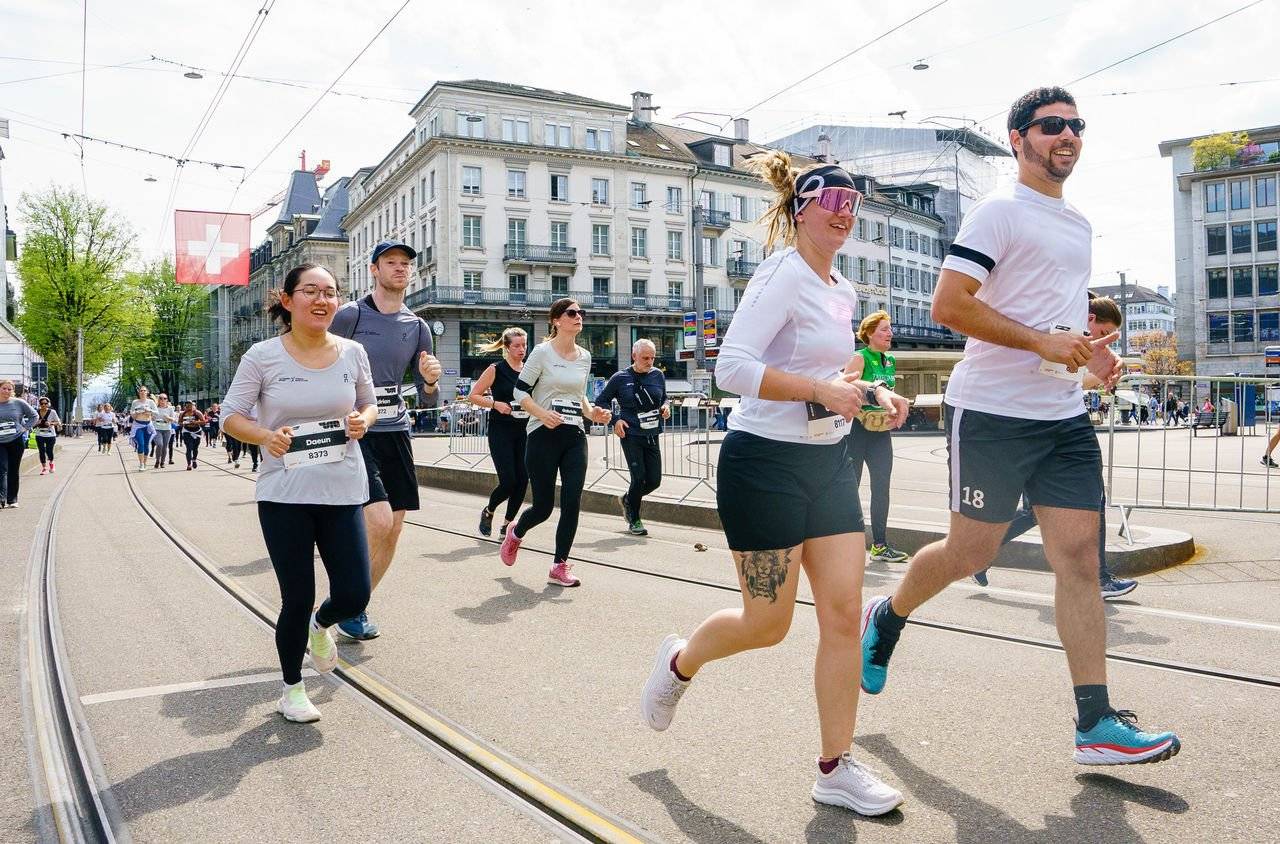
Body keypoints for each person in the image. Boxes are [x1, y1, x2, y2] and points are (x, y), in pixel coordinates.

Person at [859, 87, 1180, 766]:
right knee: (970, 554)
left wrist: (1090, 355)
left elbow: (1053, 318)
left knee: (1079, 562)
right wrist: (1039, 343)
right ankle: (887, 615)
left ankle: (1094, 723)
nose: (1067, 135)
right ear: (1017, 138)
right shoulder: (998, 211)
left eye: (1076, 126)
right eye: (1051, 125)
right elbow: (950, 304)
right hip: (992, 415)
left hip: (1060, 417)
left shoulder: (1079, 224)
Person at [639, 153, 912, 816]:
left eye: (853, 204)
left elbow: (830, 377)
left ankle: (834, 767)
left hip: (827, 464)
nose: (845, 212)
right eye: (831, 202)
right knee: (769, 623)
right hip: (762, 462)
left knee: (845, 614)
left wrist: (871, 393)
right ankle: (679, 662)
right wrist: (819, 389)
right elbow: (730, 367)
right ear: (800, 210)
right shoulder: (782, 273)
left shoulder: (840, 288)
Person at [221, 262, 377, 723]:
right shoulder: (263, 356)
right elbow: (232, 415)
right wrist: (264, 437)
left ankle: (322, 625)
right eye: (310, 291)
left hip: (344, 485)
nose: (322, 299)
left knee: (354, 594)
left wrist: (362, 422)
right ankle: (292, 688)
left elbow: (369, 403)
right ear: (287, 301)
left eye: (330, 292)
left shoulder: (352, 353)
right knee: (297, 594)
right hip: (284, 492)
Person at [970, 297, 1139, 600]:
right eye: (1103, 332)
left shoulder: (1073, 336)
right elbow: (1060, 376)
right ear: (1089, 319)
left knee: (1047, 509)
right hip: (1038, 427)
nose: (1103, 341)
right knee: (1083, 501)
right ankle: (1096, 578)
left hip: (1048, 428)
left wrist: (1102, 369)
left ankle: (978, 554)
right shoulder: (1062, 331)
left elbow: (1070, 380)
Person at [329, 240, 441, 641]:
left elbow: (429, 396)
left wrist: (430, 380)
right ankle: (345, 597)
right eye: (391, 262)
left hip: (396, 430)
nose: (400, 269)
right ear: (374, 270)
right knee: (376, 520)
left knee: (394, 527)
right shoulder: (350, 316)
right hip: (357, 433)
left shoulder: (417, 326)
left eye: (405, 264)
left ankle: (354, 605)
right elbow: (320, 361)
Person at [499, 298, 613, 586]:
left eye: (581, 313)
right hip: (542, 434)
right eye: (572, 313)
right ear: (556, 321)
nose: (579, 317)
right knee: (543, 507)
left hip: (574, 435)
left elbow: (580, 396)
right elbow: (519, 391)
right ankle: (516, 532)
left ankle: (559, 565)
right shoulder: (541, 353)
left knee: (572, 501)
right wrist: (541, 414)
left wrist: (593, 413)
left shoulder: (585, 356)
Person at [846, 311, 908, 563]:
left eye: (890, 329)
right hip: (857, 430)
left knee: (881, 488)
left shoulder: (890, 359)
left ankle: (880, 545)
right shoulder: (859, 357)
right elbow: (847, 387)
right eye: (883, 329)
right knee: (851, 487)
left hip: (881, 433)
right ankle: (848, 543)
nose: (889, 333)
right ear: (869, 333)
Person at [595, 338, 671, 536]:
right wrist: (616, 420)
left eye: (653, 357)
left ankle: (628, 499)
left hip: (652, 433)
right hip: (631, 434)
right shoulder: (620, 378)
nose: (650, 361)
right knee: (638, 478)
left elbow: (664, 398)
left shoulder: (657, 375)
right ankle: (635, 519)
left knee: (654, 481)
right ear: (634, 356)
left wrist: (666, 407)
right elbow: (601, 400)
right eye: (645, 357)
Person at [466, 327, 530, 538]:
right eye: (517, 346)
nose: (522, 349)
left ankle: (507, 526)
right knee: (509, 480)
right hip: (501, 431)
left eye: (524, 345)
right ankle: (489, 510)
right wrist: (495, 404)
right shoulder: (496, 369)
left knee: (523, 481)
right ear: (507, 347)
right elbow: (473, 395)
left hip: (525, 431)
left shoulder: (530, 370)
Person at [0, 381, 38, 508]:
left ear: (13, 391)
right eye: (4, 388)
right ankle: (1, 498)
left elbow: (34, 416)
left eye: (9, 389)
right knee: (2, 469)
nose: (6, 391)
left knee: (13, 470)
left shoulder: (19, 403)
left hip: (15, 440)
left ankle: (12, 499)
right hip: (0, 442)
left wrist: (25, 428)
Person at [128, 386, 158, 472]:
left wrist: (149, 410)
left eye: (144, 390)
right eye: (141, 391)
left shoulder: (151, 402)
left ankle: (145, 463)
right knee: (140, 444)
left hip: (148, 425)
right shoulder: (135, 402)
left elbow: (156, 413)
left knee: (146, 444)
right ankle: (141, 464)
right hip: (138, 425)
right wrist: (137, 412)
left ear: (147, 392)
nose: (142, 392)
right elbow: (132, 414)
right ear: (139, 392)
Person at [33, 397, 61, 474]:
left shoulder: (52, 412)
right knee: (41, 451)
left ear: (48, 404)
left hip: (50, 434)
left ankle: (51, 463)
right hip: (39, 434)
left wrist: (50, 423)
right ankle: (44, 468)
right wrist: (37, 423)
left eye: (45, 403)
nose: (44, 405)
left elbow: (58, 422)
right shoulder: (36, 412)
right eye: (42, 404)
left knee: (49, 450)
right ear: (39, 404)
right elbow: (32, 423)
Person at [178, 401, 207, 470]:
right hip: (187, 431)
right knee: (189, 447)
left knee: (195, 448)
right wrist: (184, 423)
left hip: (197, 431)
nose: (189, 408)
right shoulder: (183, 413)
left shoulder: (198, 413)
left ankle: (194, 459)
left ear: (194, 406)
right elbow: (179, 422)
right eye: (187, 406)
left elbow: (204, 422)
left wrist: (196, 422)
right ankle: (189, 464)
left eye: (191, 406)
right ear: (185, 407)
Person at [152, 393, 177, 469]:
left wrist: (168, 418)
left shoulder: (170, 408)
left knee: (165, 446)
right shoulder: (155, 408)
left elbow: (174, 420)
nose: (163, 400)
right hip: (157, 428)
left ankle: (162, 462)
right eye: (161, 398)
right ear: (158, 400)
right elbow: (151, 417)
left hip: (167, 429)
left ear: (167, 400)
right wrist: (152, 417)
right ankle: (157, 460)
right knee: (159, 444)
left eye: (164, 398)